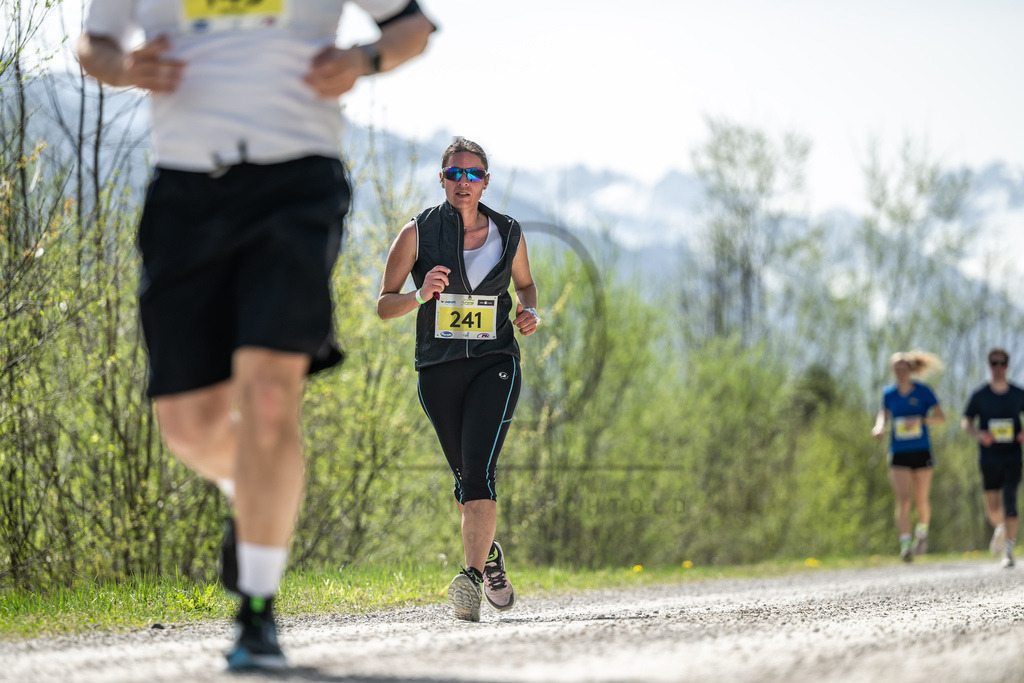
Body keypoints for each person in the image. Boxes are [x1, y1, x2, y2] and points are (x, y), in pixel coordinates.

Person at [76, 1, 436, 671]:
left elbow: (414, 28)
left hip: (296, 184)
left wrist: (361, 60)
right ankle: (251, 489)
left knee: (272, 397)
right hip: (185, 192)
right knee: (187, 426)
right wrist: (123, 67)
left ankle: (257, 613)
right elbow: (92, 45)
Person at [377, 137, 539, 622]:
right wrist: (420, 294)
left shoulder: (509, 232)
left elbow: (525, 284)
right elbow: (384, 304)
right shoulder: (418, 232)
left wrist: (529, 310)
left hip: (496, 363)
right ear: (442, 180)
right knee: (465, 478)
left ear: (485, 181)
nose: (463, 183)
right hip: (438, 368)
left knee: (480, 473)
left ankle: (468, 579)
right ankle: (488, 556)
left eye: (473, 174)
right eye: (454, 174)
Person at [871, 351, 946, 562]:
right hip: (898, 452)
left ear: (910, 370)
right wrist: (878, 427)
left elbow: (941, 418)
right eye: (896, 369)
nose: (900, 373)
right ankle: (905, 545)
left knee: (921, 501)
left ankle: (921, 533)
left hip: (921, 451)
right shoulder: (889, 394)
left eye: (903, 369)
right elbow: (883, 414)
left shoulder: (923, 392)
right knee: (903, 500)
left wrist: (922, 421)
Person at [962, 348, 1024, 568]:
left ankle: (1008, 551)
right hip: (988, 458)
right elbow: (966, 422)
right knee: (992, 509)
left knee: (1011, 503)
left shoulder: (1018, 393)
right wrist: (979, 434)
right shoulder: (980, 395)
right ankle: (1001, 527)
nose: (998, 367)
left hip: (1013, 456)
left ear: (1007, 366)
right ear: (989, 366)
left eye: (1002, 363)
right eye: (994, 363)